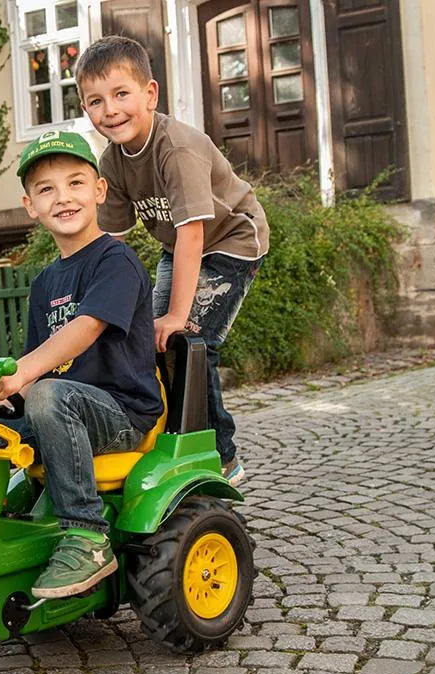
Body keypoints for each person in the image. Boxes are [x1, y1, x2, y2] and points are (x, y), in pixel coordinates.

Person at [75, 35, 267, 486]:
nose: (110, 110)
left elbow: (193, 233)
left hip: (231, 240)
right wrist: (94, 305)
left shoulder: (175, 149)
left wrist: (178, 315)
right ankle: (168, 433)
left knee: (188, 342)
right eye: (95, 101)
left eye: (121, 94)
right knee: (152, 341)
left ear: (150, 93)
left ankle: (221, 454)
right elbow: (111, 243)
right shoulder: (113, 163)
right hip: (178, 247)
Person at [0, 130, 162, 599]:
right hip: (62, 408)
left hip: (121, 414)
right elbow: (39, 366)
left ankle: (87, 536)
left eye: (75, 183)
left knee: (46, 395)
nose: (62, 198)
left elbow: (84, 329)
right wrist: (5, 395)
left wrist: (26, 374)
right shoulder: (46, 282)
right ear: (31, 205)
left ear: (99, 191)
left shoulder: (116, 261)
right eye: (46, 189)